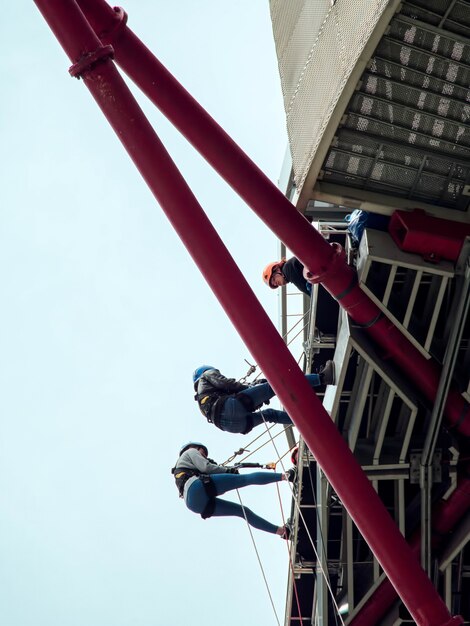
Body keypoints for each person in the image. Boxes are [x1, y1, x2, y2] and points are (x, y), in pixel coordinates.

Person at [171, 442, 294, 538]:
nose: (204, 455)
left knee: (242, 511)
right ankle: (287, 476)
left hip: (194, 505)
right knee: (245, 479)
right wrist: (227, 471)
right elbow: (206, 467)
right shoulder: (190, 451)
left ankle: (282, 532)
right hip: (196, 487)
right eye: (203, 452)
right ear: (195, 447)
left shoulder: (182, 468)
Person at [193, 363, 335, 434]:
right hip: (230, 408)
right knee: (277, 386)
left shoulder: (202, 401)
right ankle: (322, 378)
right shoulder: (206, 375)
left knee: (269, 415)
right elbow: (226, 384)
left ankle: (312, 422)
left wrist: (253, 397)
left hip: (233, 426)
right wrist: (248, 391)